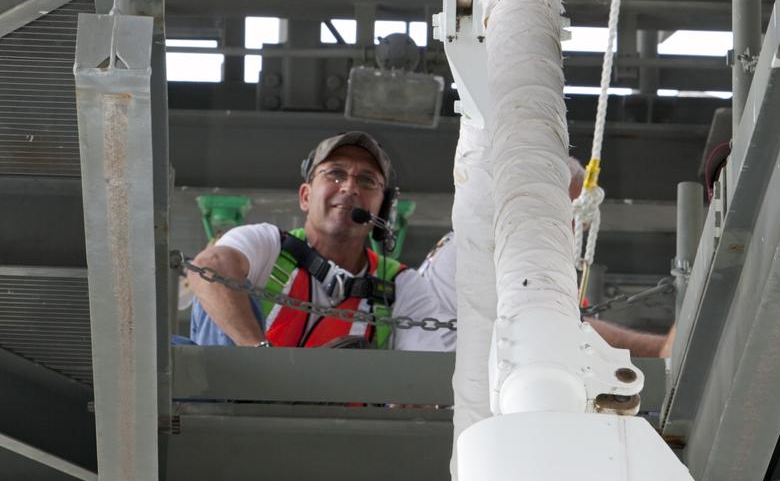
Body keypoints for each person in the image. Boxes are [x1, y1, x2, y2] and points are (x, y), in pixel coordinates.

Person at [186, 130, 455, 351]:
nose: (349, 187)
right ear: (305, 196)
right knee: (216, 291)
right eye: (335, 174)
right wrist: (258, 352)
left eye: (367, 180)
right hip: (242, 407)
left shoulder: (402, 285)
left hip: (344, 416)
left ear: (384, 210)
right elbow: (210, 267)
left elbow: (420, 384)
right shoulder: (267, 244)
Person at [419, 155, 675, 359]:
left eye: (581, 225)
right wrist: (660, 348)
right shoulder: (500, 243)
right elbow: (562, 329)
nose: (575, 234)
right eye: (572, 216)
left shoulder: (478, 236)